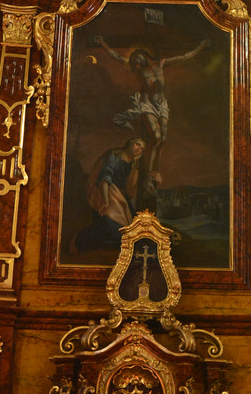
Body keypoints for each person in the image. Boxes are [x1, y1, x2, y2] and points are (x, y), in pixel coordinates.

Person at [94, 36, 211, 178]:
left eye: (138, 56)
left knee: (163, 139)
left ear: (144, 55)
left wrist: (201, 46)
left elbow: (184, 57)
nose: (137, 60)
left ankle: (155, 172)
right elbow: (116, 56)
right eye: (135, 59)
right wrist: (102, 43)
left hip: (161, 104)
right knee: (156, 136)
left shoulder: (161, 64)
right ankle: (147, 177)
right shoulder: (139, 70)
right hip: (147, 104)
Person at [73, 137, 146, 251]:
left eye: (141, 148)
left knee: (129, 230)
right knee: (112, 231)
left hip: (120, 197)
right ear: (130, 143)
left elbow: (131, 188)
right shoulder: (114, 156)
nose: (139, 149)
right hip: (105, 192)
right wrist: (105, 201)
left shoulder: (133, 163)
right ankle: (79, 240)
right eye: (138, 144)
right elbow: (104, 178)